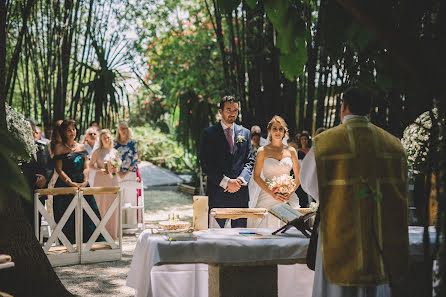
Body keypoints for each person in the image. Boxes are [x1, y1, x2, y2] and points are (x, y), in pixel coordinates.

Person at [300, 87, 409, 297]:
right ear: (370, 110)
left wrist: (337, 198)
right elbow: (399, 190)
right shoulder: (393, 145)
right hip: (377, 236)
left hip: (337, 231)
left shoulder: (325, 143)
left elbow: (309, 183)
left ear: (344, 107)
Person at [200, 95, 255, 228]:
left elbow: (250, 161)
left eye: (235, 110)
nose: (232, 113)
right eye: (228, 109)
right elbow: (205, 164)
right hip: (217, 194)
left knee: (241, 239)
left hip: (240, 194)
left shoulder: (245, 133)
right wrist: (226, 182)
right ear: (220, 112)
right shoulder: (209, 133)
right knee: (215, 238)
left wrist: (240, 180)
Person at [53, 119, 104, 243]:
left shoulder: (82, 147)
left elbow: (86, 167)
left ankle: (91, 244)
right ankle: (69, 245)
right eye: (68, 130)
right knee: (67, 216)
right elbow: (58, 170)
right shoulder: (59, 148)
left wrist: (86, 181)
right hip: (65, 185)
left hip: (82, 184)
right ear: (63, 132)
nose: (72, 132)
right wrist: (69, 182)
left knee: (89, 214)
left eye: (74, 129)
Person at [247, 115, 300, 228]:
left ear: (284, 132)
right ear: (269, 131)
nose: (277, 131)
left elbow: (298, 177)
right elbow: (256, 176)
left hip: (287, 195)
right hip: (267, 194)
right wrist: (273, 193)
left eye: (280, 129)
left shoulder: (291, 151)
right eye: (274, 128)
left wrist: (289, 193)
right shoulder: (262, 151)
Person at [20, 120, 53, 230]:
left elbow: (49, 167)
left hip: (40, 191)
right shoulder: (17, 149)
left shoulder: (42, 147)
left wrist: (45, 179)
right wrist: (34, 180)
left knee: (36, 223)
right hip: (24, 193)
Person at [90, 129, 119, 239]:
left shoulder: (115, 151)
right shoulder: (97, 152)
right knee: (100, 205)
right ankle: (100, 233)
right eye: (104, 138)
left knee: (112, 205)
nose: (106, 139)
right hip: (100, 180)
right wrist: (100, 170)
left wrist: (116, 168)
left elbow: (117, 166)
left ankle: (112, 233)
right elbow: (90, 165)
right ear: (101, 140)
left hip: (112, 180)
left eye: (108, 137)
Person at [114, 121, 139, 225]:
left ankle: (131, 224)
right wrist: (118, 171)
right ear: (118, 130)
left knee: (131, 199)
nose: (123, 130)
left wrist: (127, 171)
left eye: (125, 128)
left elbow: (135, 157)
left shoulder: (133, 143)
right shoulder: (114, 143)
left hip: (130, 173)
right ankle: (119, 225)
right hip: (117, 174)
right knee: (119, 200)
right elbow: (112, 157)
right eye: (121, 128)